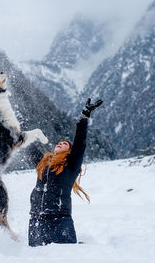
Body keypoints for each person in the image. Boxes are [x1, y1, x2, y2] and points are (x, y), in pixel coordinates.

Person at [28, 98, 103, 247]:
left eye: (65, 144)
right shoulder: (43, 163)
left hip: (60, 221)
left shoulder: (71, 165)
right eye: (59, 142)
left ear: (69, 151)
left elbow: (80, 142)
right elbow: (28, 146)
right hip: (36, 220)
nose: (61, 143)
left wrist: (84, 118)